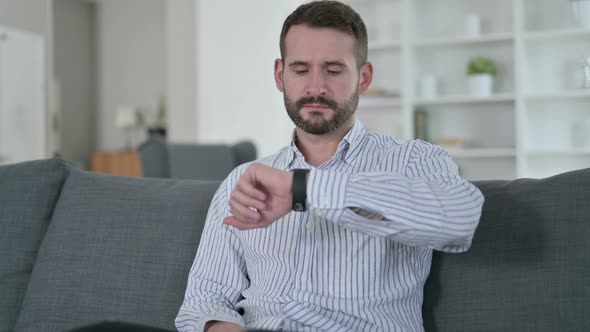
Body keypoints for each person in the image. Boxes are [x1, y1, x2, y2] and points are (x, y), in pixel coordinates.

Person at [175, 1, 484, 331]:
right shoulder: (244, 179)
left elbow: (461, 219)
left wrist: (304, 189)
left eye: (333, 70)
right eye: (301, 69)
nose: (316, 87)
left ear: (364, 78)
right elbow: (204, 297)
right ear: (280, 75)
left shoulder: (414, 161)